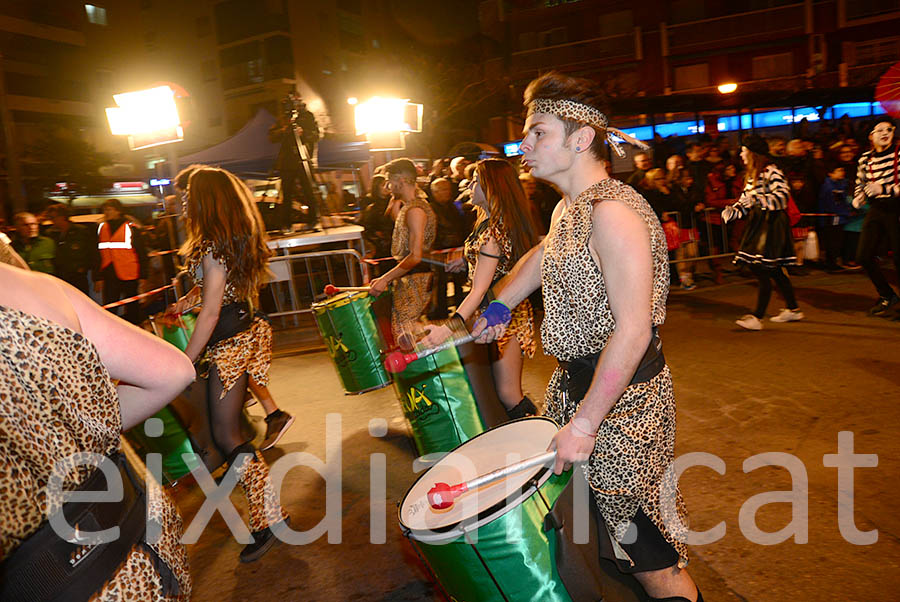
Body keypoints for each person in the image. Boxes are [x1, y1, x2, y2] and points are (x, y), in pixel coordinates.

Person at [473, 71, 701, 602]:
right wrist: (500, 304)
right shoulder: (569, 207)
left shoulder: (614, 212)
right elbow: (543, 254)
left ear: (580, 139)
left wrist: (585, 423)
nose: (523, 146)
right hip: (579, 388)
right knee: (602, 539)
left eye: (537, 133)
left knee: (649, 558)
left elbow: (634, 330)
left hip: (626, 408)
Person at [0, 263, 194, 600]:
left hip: (59, 584)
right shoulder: (36, 287)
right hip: (143, 553)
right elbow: (173, 371)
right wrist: (87, 429)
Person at [171, 167, 289, 562]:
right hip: (237, 335)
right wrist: (187, 299)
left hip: (231, 343)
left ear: (205, 197)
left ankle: (269, 519)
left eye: (188, 192)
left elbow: (211, 312)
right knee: (226, 434)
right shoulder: (218, 242)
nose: (183, 199)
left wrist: (185, 359)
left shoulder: (212, 246)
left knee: (228, 436)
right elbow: (213, 289)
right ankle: (271, 515)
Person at [422, 158, 542, 419]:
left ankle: (544, 442)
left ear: (491, 189)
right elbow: (493, 266)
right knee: (495, 390)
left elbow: (479, 289)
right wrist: (465, 261)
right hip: (495, 311)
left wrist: (449, 327)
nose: (470, 185)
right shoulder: (486, 223)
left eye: (476, 181)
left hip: (506, 317)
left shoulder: (491, 234)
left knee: (509, 394)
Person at [721, 135, 803, 330]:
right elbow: (745, 201)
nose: (740, 154)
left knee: (763, 267)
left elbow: (782, 197)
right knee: (771, 269)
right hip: (759, 224)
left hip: (772, 224)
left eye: (743, 150)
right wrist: (733, 211)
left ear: (752, 153)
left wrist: (758, 200)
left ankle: (757, 317)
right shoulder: (751, 174)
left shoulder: (771, 171)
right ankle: (793, 308)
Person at [368, 158, 437, 339]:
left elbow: (415, 256)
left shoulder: (416, 210)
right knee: (407, 333)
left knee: (407, 335)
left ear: (402, 180)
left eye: (389, 181)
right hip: (410, 278)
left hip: (415, 278)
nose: (388, 186)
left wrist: (385, 278)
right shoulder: (410, 207)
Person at [852, 116, 900, 316]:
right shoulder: (865, 159)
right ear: (871, 136)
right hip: (877, 209)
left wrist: (884, 187)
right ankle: (887, 295)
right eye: (879, 130)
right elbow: (860, 183)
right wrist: (859, 197)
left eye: (888, 129)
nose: (885, 133)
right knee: (863, 256)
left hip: (897, 208)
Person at [95, 199, 149, 325]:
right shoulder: (102, 228)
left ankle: (135, 328)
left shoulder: (130, 227)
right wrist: (97, 277)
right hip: (109, 273)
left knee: (132, 306)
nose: (106, 212)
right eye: (105, 210)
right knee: (110, 306)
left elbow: (141, 253)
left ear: (118, 211)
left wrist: (143, 275)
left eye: (109, 209)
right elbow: (97, 254)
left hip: (129, 273)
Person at [46, 203, 98, 293]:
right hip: (59, 279)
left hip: (78, 278)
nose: (51, 221)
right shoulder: (50, 234)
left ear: (62, 217)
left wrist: (87, 270)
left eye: (53, 217)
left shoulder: (81, 232)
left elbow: (93, 254)